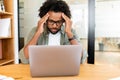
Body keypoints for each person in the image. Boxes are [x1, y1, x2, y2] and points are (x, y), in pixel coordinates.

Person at [19, 0, 88, 63]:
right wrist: (38, 33)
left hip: (65, 70)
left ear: (64, 20)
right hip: (42, 70)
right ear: (45, 19)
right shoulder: (35, 30)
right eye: (51, 21)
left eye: (58, 22)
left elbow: (81, 57)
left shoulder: (70, 31)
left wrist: (69, 33)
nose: (55, 25)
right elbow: (25, 57)